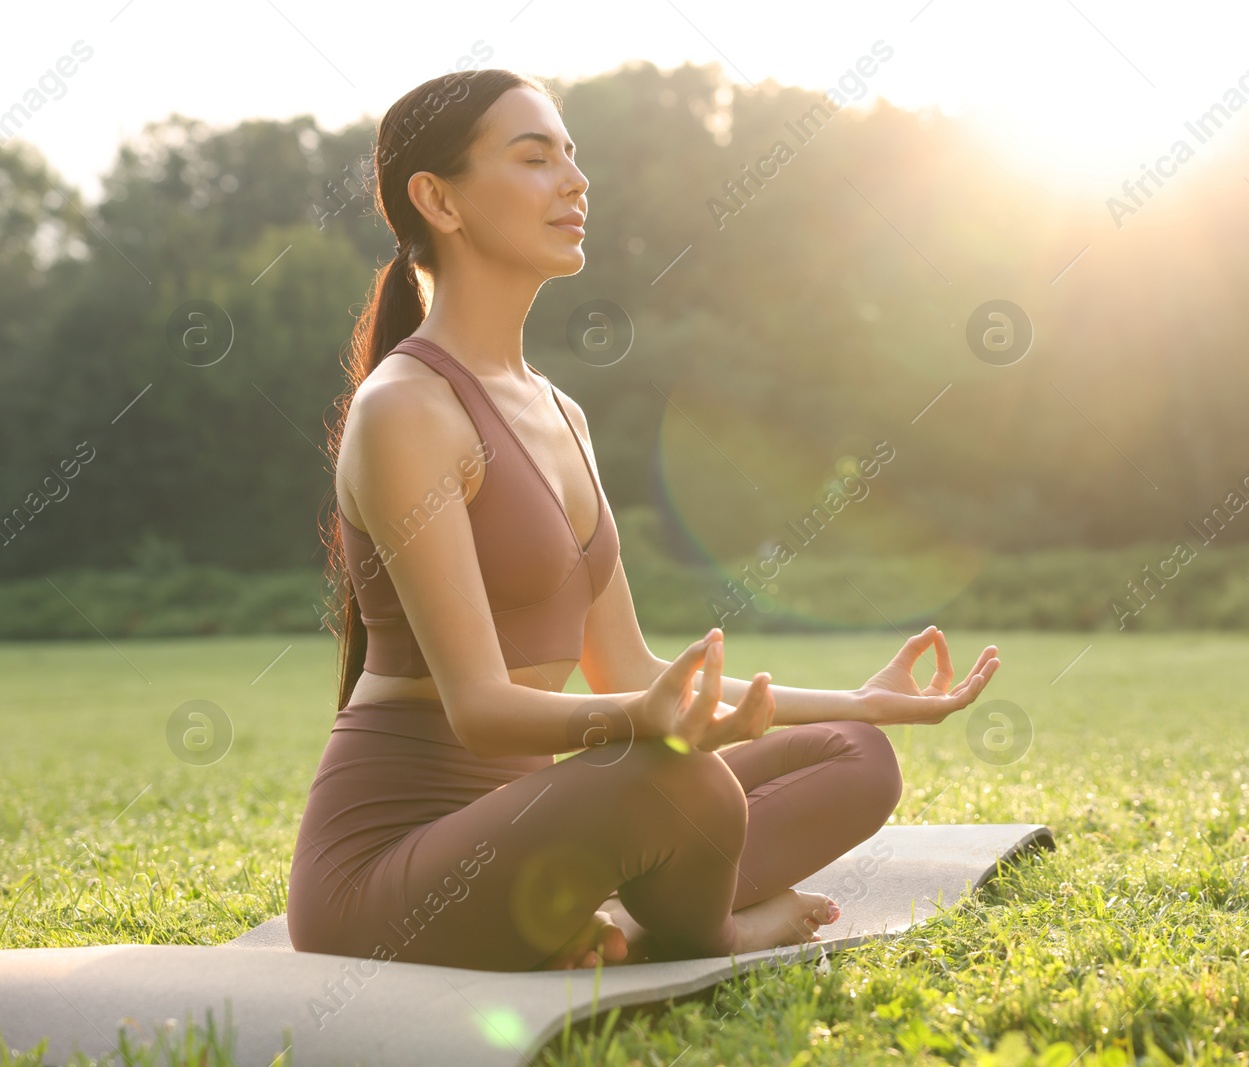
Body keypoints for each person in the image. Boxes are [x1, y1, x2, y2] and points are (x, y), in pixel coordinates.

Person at [285, 68, 1001, 972]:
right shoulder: (408, 411)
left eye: (573, 157)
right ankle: (702, 929)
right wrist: (645, 728)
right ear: (439, 199)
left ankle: (613, 905)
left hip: (539, 825)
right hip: (387, 875)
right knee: (678, 780)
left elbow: (628, 669)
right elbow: (479, 711)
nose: (576, 182)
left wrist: (865, 699)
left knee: (852, 754)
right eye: (535, 157)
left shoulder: (561, 412)